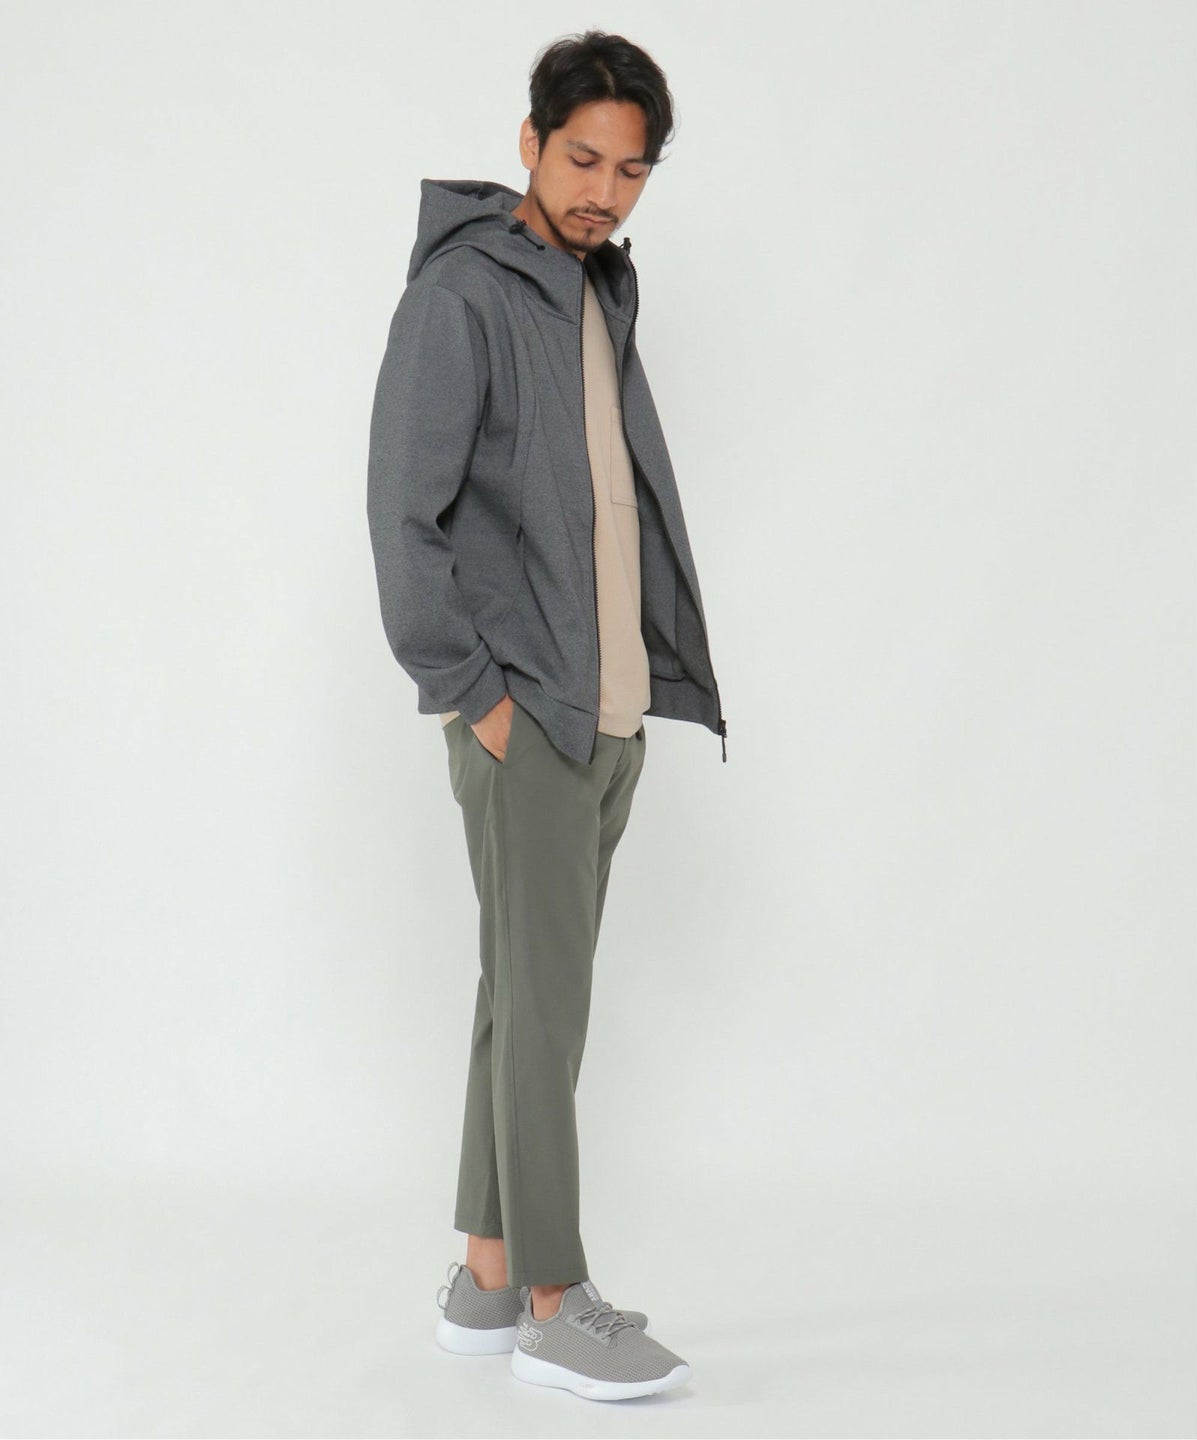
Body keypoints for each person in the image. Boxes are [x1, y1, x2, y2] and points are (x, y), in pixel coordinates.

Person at [366, 29, 726, 1402]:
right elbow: (402, 512)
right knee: (546, 1009)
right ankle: (558, 1304)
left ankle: (485, 1276)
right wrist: (475, 693)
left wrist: (638, 689)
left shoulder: (596, 290)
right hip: (530, 714)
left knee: (520, 994)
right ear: (529, 143)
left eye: (629, 171)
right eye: (582, 160)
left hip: (608, 709)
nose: (602, 192)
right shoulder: (462, 295)